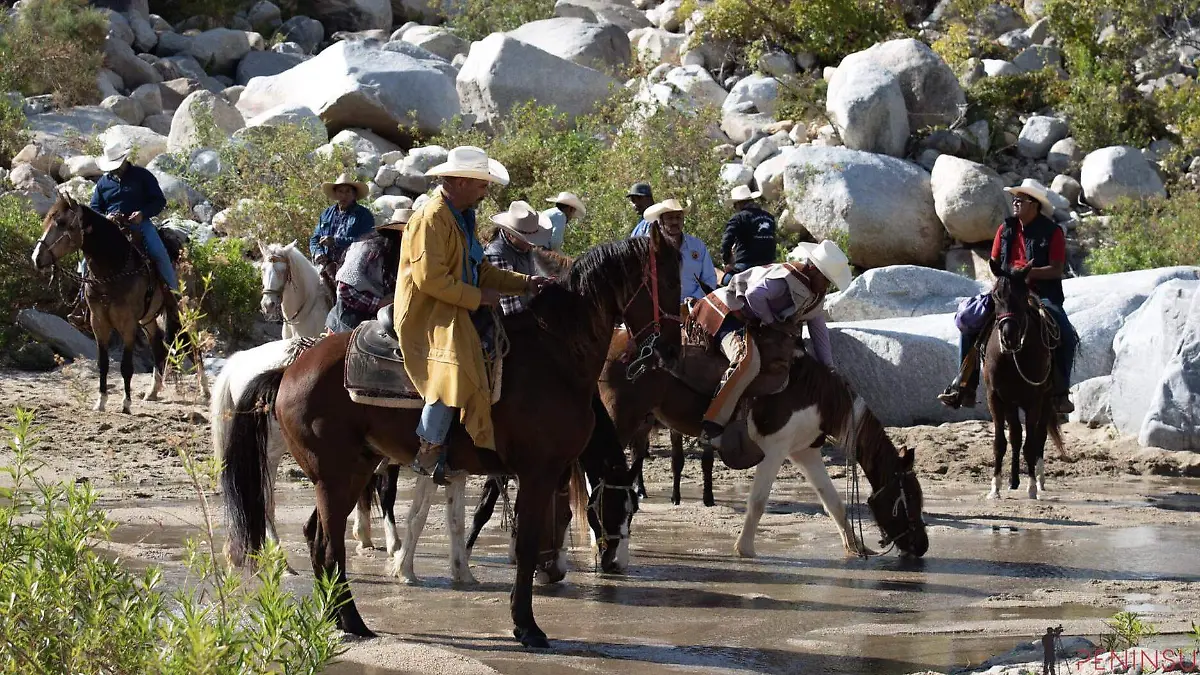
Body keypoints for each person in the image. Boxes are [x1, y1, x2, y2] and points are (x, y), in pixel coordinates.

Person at [396, 146, 552, 483]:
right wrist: (479, 297)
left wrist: (525, 284)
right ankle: (429, 447)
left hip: (454, 301)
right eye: (482, 185)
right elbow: (429, 280)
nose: (486, 191)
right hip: (429, 312)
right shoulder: (430, 217)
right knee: (453, 360)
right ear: (463, 181)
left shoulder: (461, 215)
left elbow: (478, 269)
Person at [691, 240, 852, 448]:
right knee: (746, 361)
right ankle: (713, 423)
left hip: (756, 323)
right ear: (812, 269)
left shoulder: (815, 296)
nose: (826, 286)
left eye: (829, 282)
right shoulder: (785, 278)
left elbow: (819, 332)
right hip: (730, 312)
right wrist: (774, 323)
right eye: (825, 279)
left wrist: (829, 368)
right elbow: (754, 296)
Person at [937, 185, 1078, 414]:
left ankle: (1060, 393)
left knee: (1066, 335)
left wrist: (1027, 273)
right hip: (1007, 291)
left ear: (1034, 205)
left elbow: (1056, 269)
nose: (1015, 203)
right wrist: (1008, 278)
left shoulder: (1052, 232)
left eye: (1020, 200)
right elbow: (995, 262)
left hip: (1041, 294)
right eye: (1014, 199)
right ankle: (964, 385)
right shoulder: (1005, 229)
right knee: (968, 321)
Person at [86, 139, 174, 291]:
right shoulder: (103, 183)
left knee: (159, 253)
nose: (115, 170)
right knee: (85, 261)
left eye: (117, 166)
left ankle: (174, 295)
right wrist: (105, 219)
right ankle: (82, 303)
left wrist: (143, 213)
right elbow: (94, 208)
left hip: (140, 225)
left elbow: (159, 200)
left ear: (125, 159)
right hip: (111, 228)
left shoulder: (142, 176)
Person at [325, 208, 409, 333]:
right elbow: (345, 289)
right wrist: (379, 303)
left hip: (384, 319)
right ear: (401, 234)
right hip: (349, 320)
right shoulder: (365, 250)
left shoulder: (405, 254)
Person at [642, 199, 717, 305]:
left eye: (678, 217)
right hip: (661, 310)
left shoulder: (697, 246)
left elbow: (709, 278)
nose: (675, 222)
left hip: (695, 308)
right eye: (670, 218)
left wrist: (695, 298)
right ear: (660, 221)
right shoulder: (649, 248)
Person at [484, 200, 554, 316]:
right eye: (526, 239)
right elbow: (511, 311)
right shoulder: (498, 256)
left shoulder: (524, 248)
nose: (531, 244)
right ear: (511, 234)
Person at [310, 172, 375, 291]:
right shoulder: (326, 213)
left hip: (352, 265)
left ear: (354, 194)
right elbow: (315, 238)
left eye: (347, 191)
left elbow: (366, 242)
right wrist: (317, 252)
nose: (343, 195)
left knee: (343, 294)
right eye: (340, 191)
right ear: (335, 194)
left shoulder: (364, 215)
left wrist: (336, 241)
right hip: (325, 263)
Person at [720, 185, 778, 284]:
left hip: (746, 265)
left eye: (735, 205)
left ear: (738, 204)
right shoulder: (769, 217)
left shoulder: (738, 218)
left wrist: (727, 261)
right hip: (769, 264)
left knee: (725, 282)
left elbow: (726, 242)